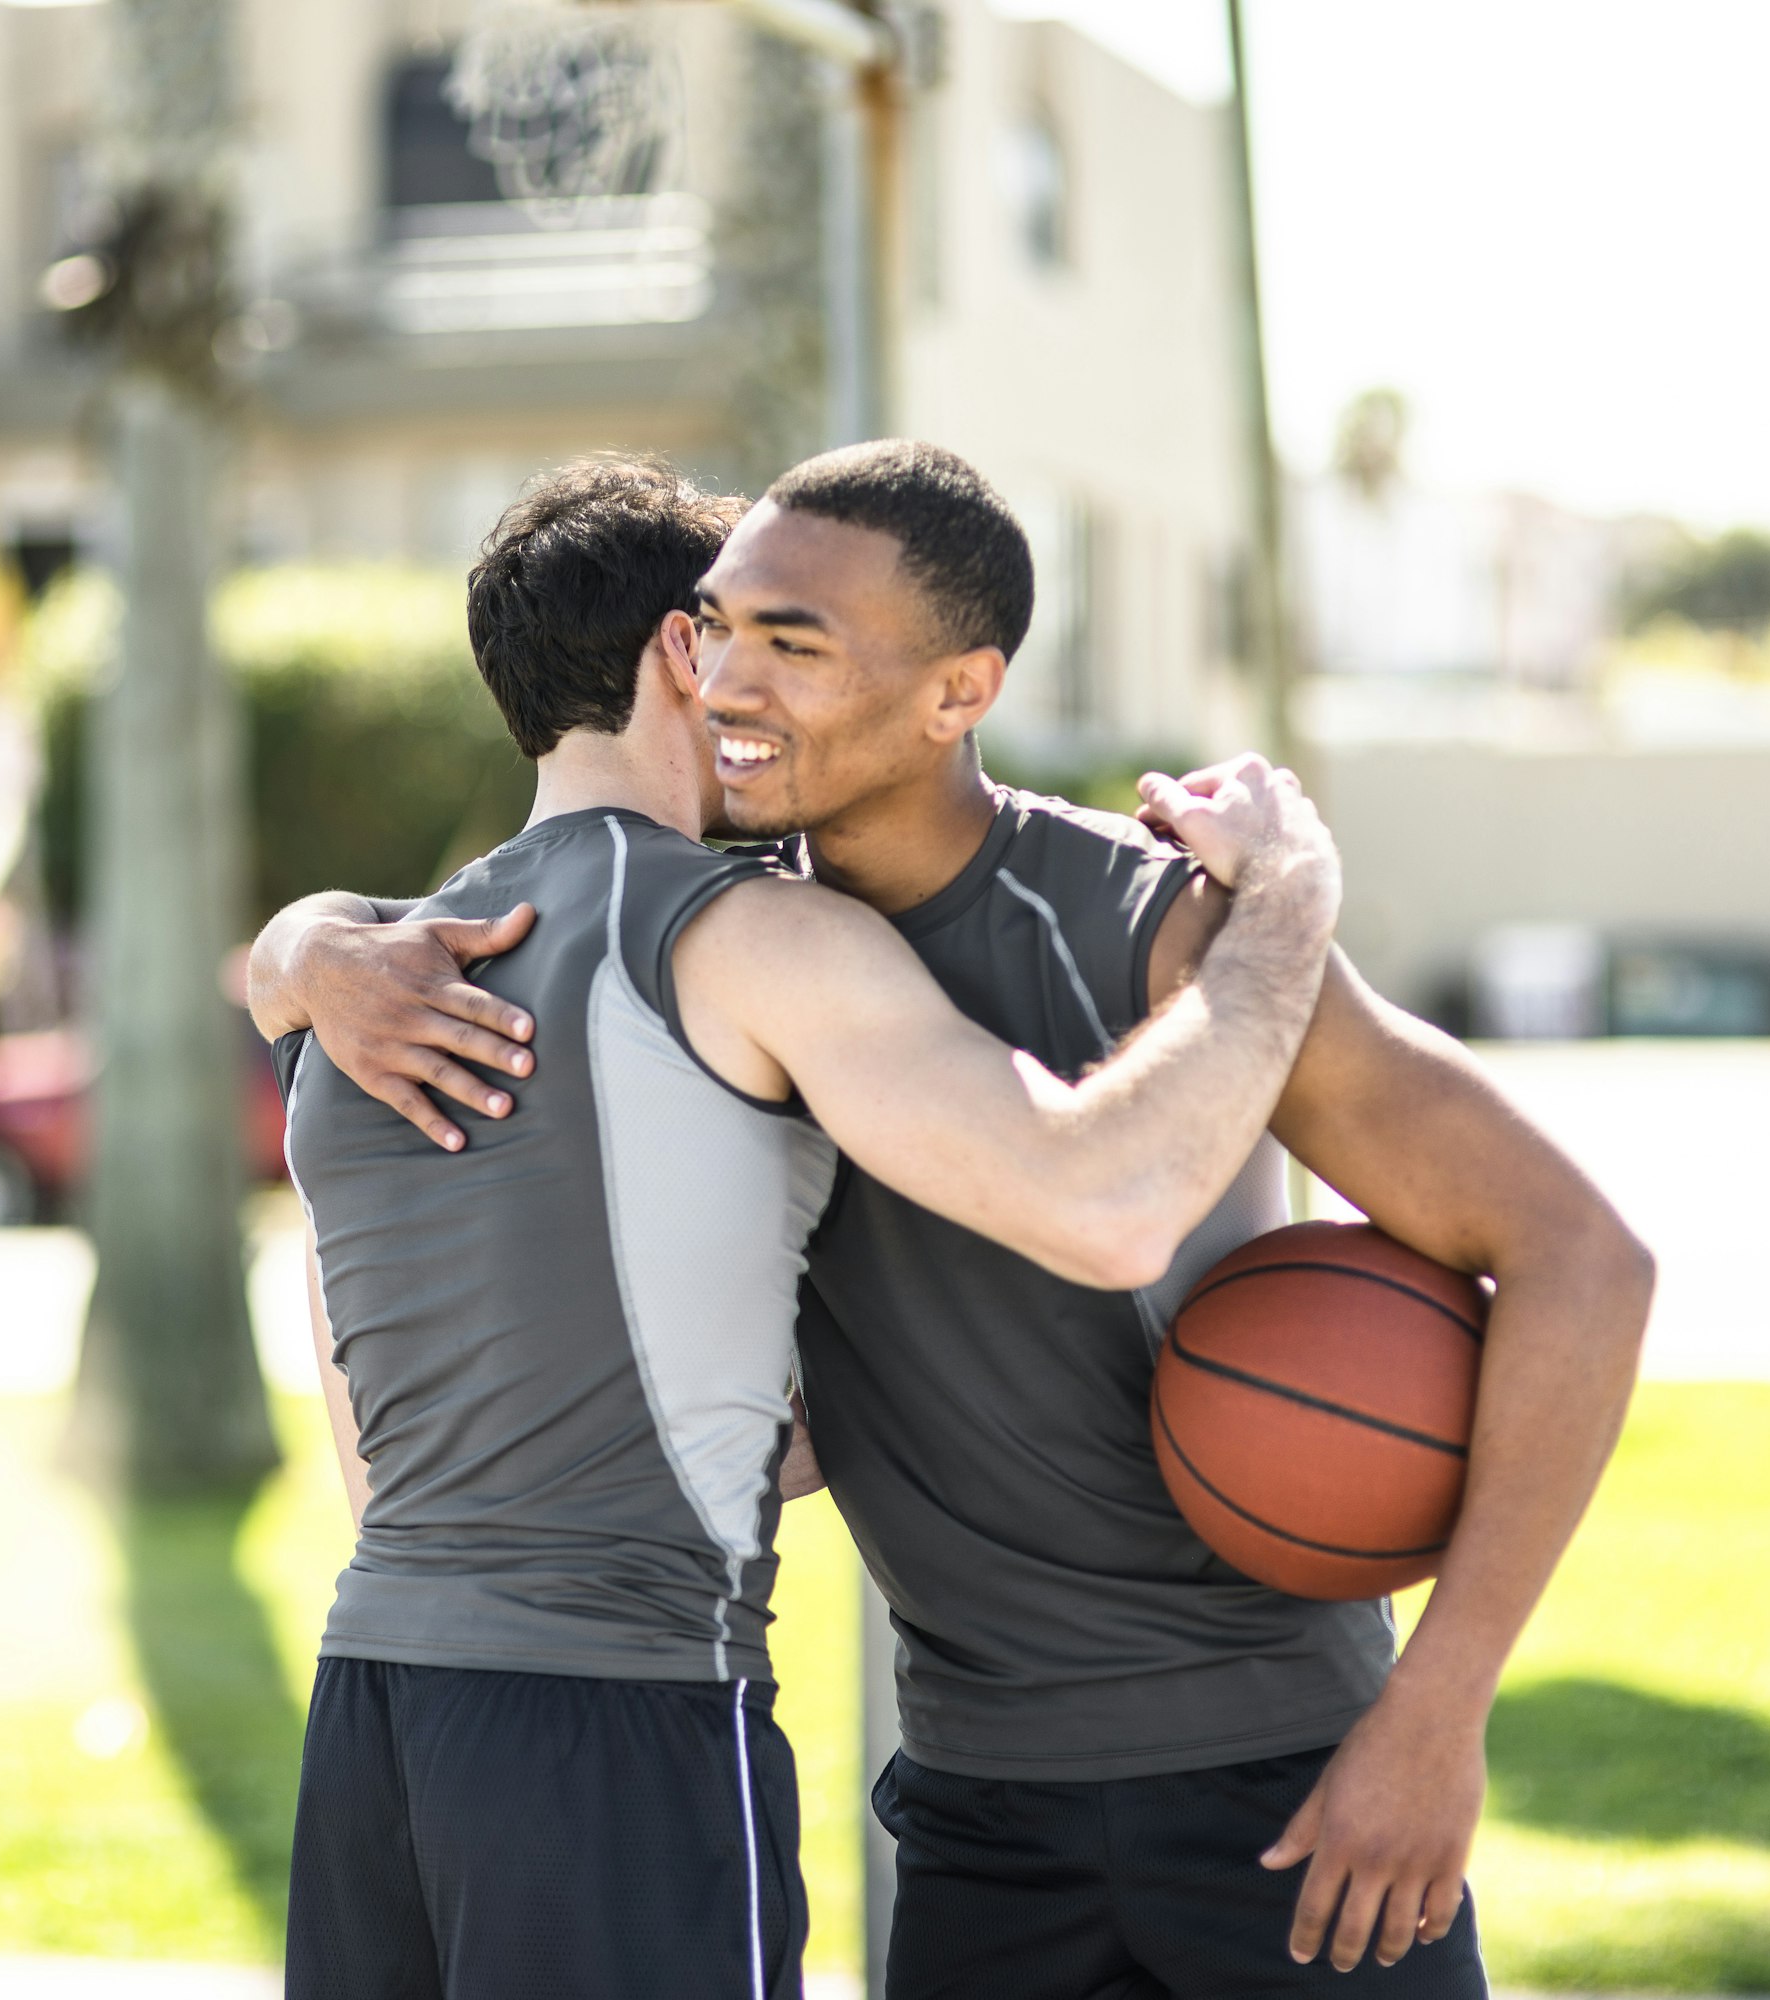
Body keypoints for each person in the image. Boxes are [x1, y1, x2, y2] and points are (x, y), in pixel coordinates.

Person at [255, 443, 1654, 1999]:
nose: (727, 679)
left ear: (958, 693)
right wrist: (305, 949)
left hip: (1287, 1781)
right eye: (714, 630)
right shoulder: (735, 956)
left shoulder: (1172, 924)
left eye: (795, 645)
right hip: (980, 1814)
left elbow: (1582, 1256)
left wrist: (1439, 1713)